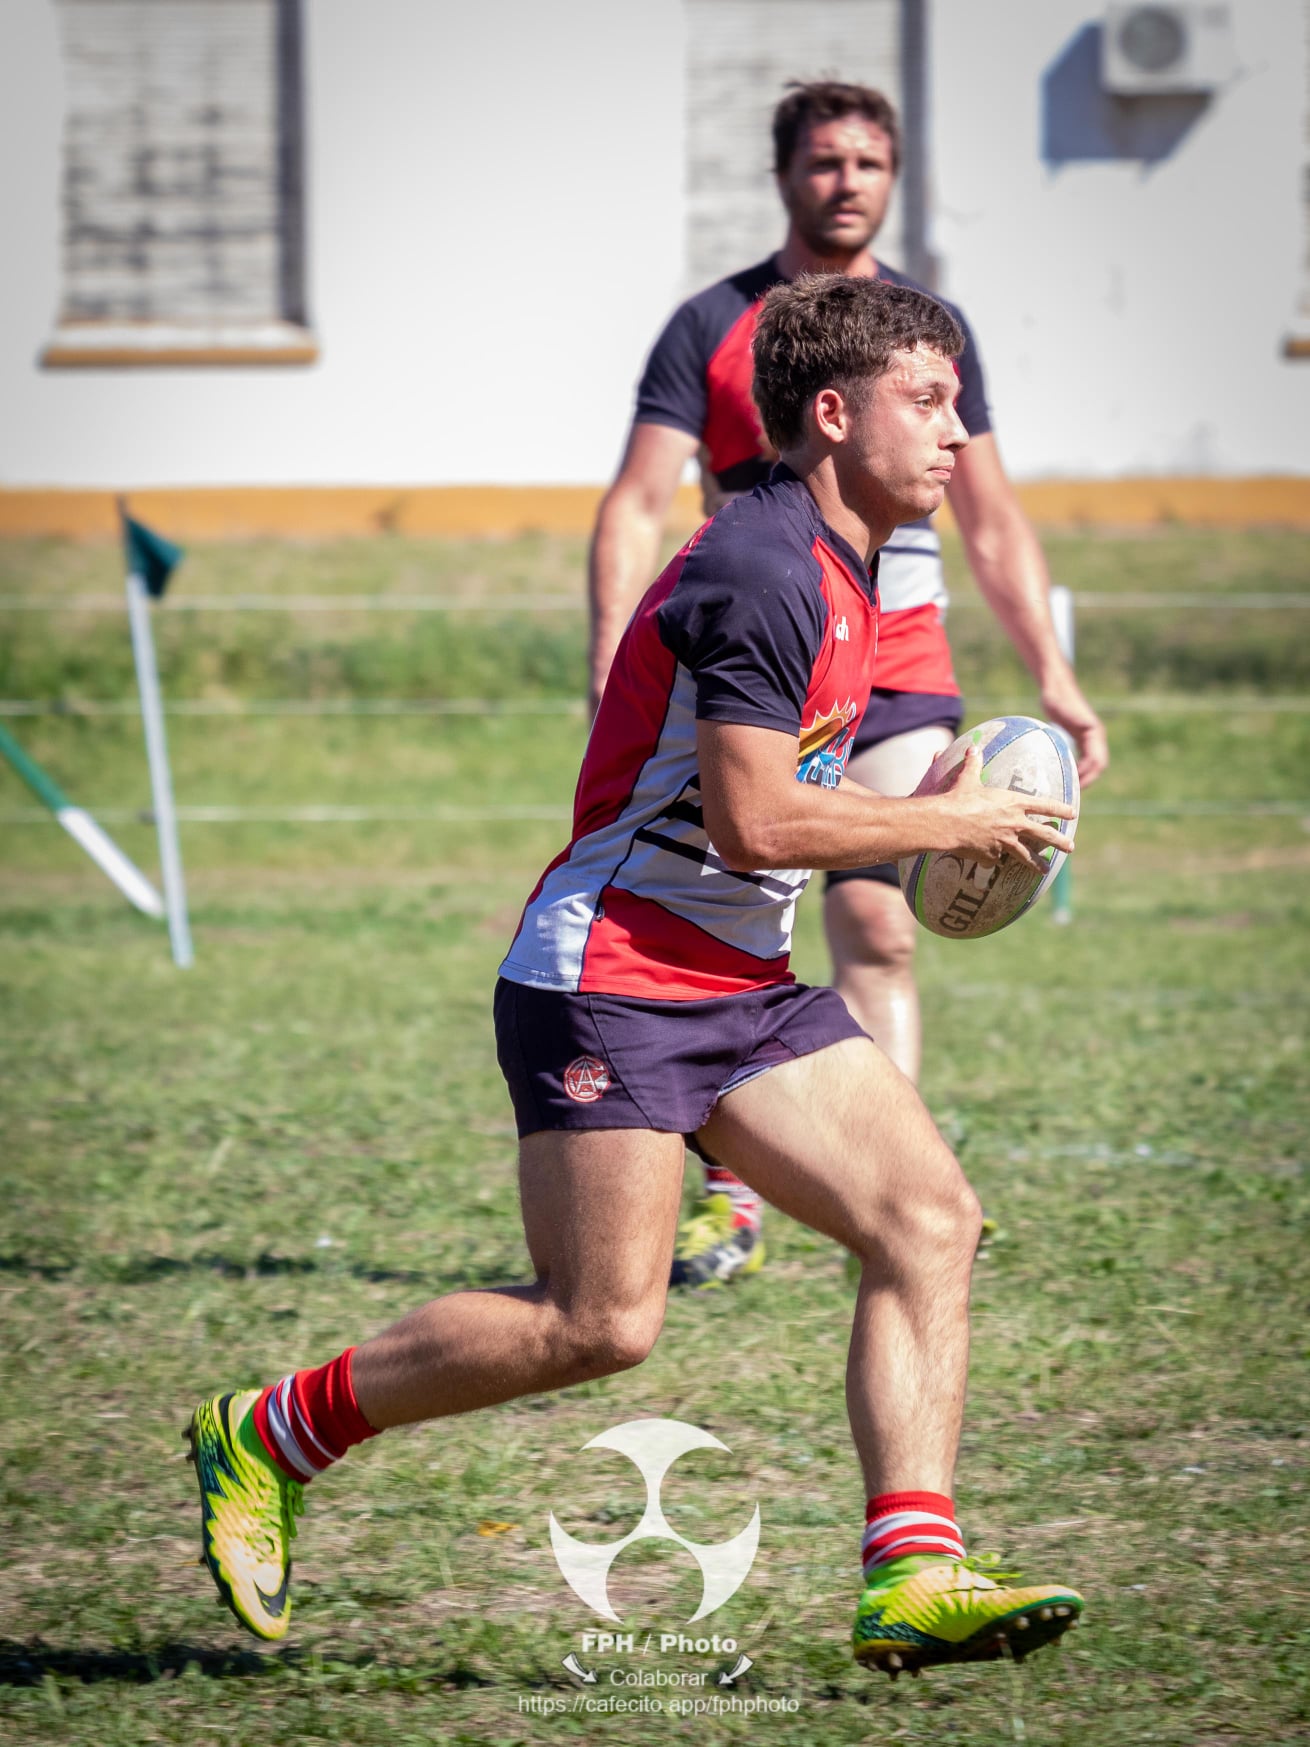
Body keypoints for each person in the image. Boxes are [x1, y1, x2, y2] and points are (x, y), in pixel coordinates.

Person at [187, 274, 1085, 1676]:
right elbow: (754, 820)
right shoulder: (766, 567)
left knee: (927, 1220)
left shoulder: (842, 569)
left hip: (740, 979)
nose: (959, 433)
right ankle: (272, 1429)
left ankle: (912, 1571)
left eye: (958, 400)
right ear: (834, 414)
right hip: (607, 978)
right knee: (597, 1321)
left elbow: (772, 790)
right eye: (929, 399)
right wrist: (944, 824)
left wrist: (924, 796)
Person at [588, 80, 1107, 1286]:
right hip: (760, 665)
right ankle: (737, 1186)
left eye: (869, 161)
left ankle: (886, 1168)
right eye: (824, 161)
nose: (847, 181)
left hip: (899, 667)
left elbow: (990, 520)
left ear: (891, 178)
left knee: (880, 917)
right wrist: (616, 657)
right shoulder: (711, 326)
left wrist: (1055, 676)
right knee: (734, 896)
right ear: (784, 176)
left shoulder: (923, 332)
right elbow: (632, 505)